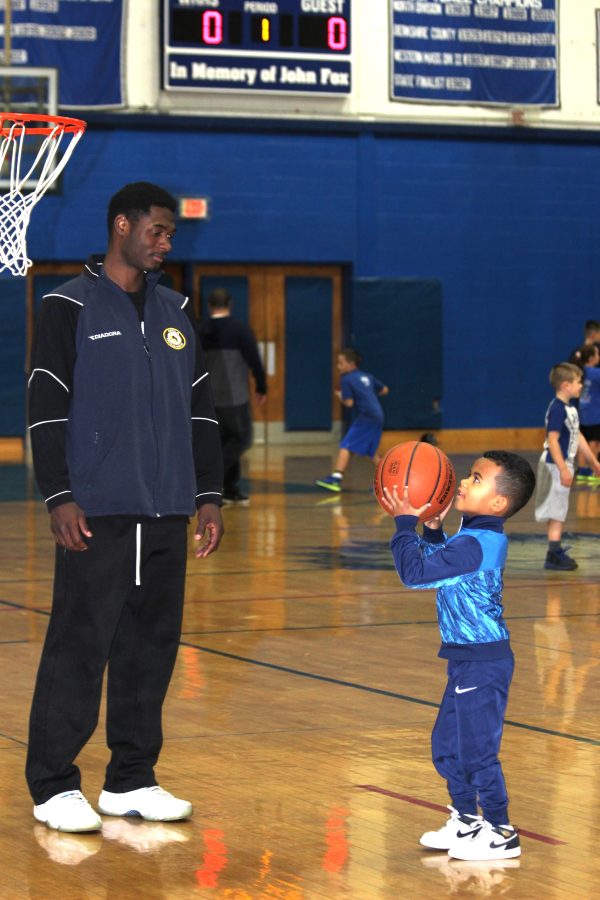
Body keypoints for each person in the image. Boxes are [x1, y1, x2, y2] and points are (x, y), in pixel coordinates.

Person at [26, 182, 224, 833]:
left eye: (170, 234)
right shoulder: (67, 305)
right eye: (158, 231)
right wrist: (59, 493)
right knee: (79, 646)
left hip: (166, 510)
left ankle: (131, 779)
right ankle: (54, 784)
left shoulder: (178, 310)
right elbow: (46, 406)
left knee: (151, 649)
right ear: (122, 226)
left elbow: (203, 411)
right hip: (98, 510)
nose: (166, 243)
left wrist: (208, 494)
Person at [381, 451, 536, 862]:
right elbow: (442, 567)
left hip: (484, 663)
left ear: (499, 504)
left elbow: (415, 575)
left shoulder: (477, 543)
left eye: (477, 479)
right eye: (469, 475)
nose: (463, 482)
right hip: (468, 660)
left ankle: (502, 831)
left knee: (476, 751)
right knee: (446, 745)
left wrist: (404, 525)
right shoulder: (472, 539)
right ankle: (467, 820)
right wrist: (432, 532)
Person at [199, 288, 267, 505]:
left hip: (208, 397)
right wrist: (261, 387)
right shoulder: (239, 329)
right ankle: (211, 480)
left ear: (210, 306)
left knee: (221, 441)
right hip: (233, 397)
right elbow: (254, 360)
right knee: (242, 438)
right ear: (230, 304)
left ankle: (228, 488)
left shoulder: (200, 329)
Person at [535, 362, 600, 570]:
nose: (581, 386)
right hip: (555, 465)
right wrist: (563, 468)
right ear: (565, 385)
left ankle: (555, 549)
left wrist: (593, 462)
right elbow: (552, 440)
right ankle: (553, 553)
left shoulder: (570, 409)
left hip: (563, 465)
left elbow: (577, 437)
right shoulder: (557, 409)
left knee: (560, 509)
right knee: (556, 510)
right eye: (578, 382)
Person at [316, 348, 389, 493]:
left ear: (351, 363)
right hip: (378, 415)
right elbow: (385, 389)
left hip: (367, 416)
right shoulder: (367, 376)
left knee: (346, 445)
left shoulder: (346, 379)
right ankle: (386, 483)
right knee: (372, 450)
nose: (338, 366)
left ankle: (336, 478)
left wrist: (339, 395)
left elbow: (348, 403)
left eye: (341, 363)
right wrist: (368, 395)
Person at [575, 343, 600, 483]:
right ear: (591, 358)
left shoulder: (579, 371)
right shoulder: (596, 373)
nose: (599, 357)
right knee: (595, 443)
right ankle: (594, 472)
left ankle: (583, 471)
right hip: (596, 415)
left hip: (583, 413)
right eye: (597, 354)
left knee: (583, 441)